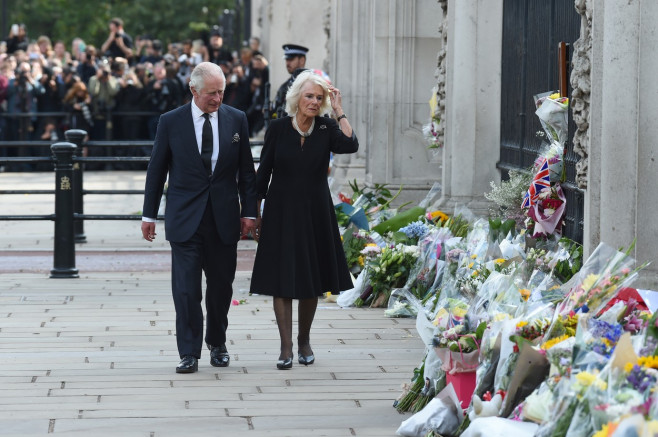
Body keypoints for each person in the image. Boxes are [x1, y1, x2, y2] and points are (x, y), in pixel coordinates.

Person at [141, 61, 258, 374]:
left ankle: (217, 343)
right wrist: (148, 214)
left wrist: (250, 212)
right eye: (211, 93)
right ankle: (189, 351)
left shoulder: (236, 119)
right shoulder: (170, 122)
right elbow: (157, 169)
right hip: (184, 219)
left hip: (223, 219)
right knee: (186, 289)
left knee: (221, 287)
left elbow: (247, 171)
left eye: (221, 92)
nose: (217, 99)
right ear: (193, 90)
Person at [249, 70, 358, 369]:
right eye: (309, 96)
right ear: (297, 97)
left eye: (319, 98)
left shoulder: (325, 128)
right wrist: (254, 213)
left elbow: (350, 144)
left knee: (311, 280)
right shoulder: (278, 128)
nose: (314, 102)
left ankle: (304, 341)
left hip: (315, 212)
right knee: (282, 279)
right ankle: (285, 348)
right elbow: (264, 173)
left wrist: (339, 110)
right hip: (281, 210)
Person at [272, 44, 308, 119]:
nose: (287, 63)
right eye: (286, 60)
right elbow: (276, 109)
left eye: (291, 59)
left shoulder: (310, 83)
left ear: (302, 60)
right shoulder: (285, 86)